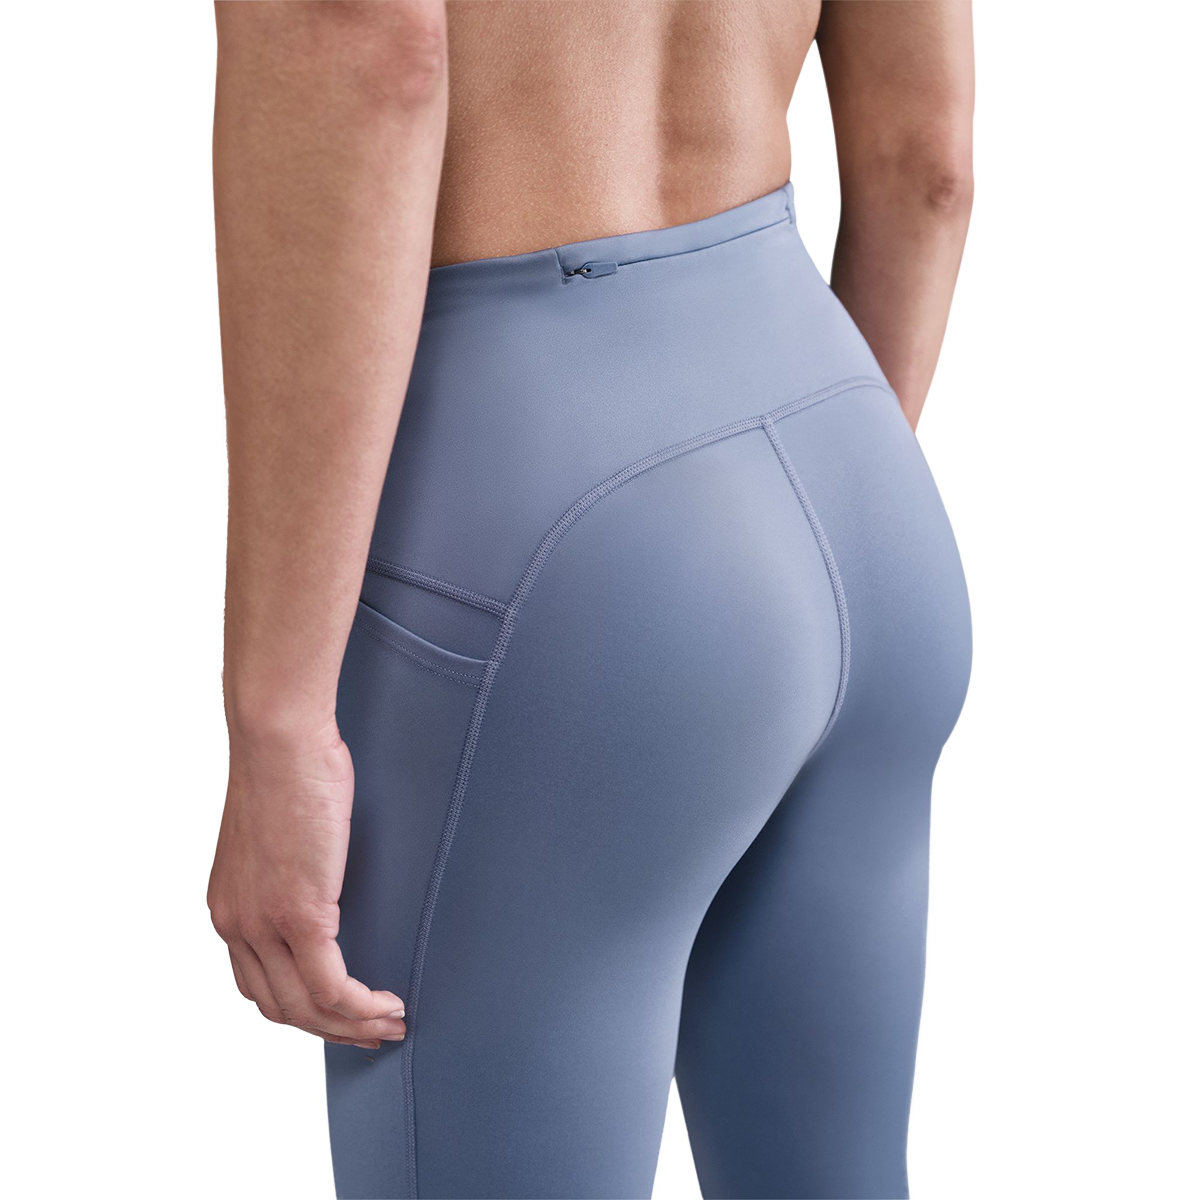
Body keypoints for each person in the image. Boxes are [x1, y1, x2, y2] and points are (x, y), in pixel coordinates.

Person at [206, 2, 975, 1196]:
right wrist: (775, 582)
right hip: (855, 468)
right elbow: (929, 165)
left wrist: (278, 720)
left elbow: (361, 42)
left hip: (544, 519)